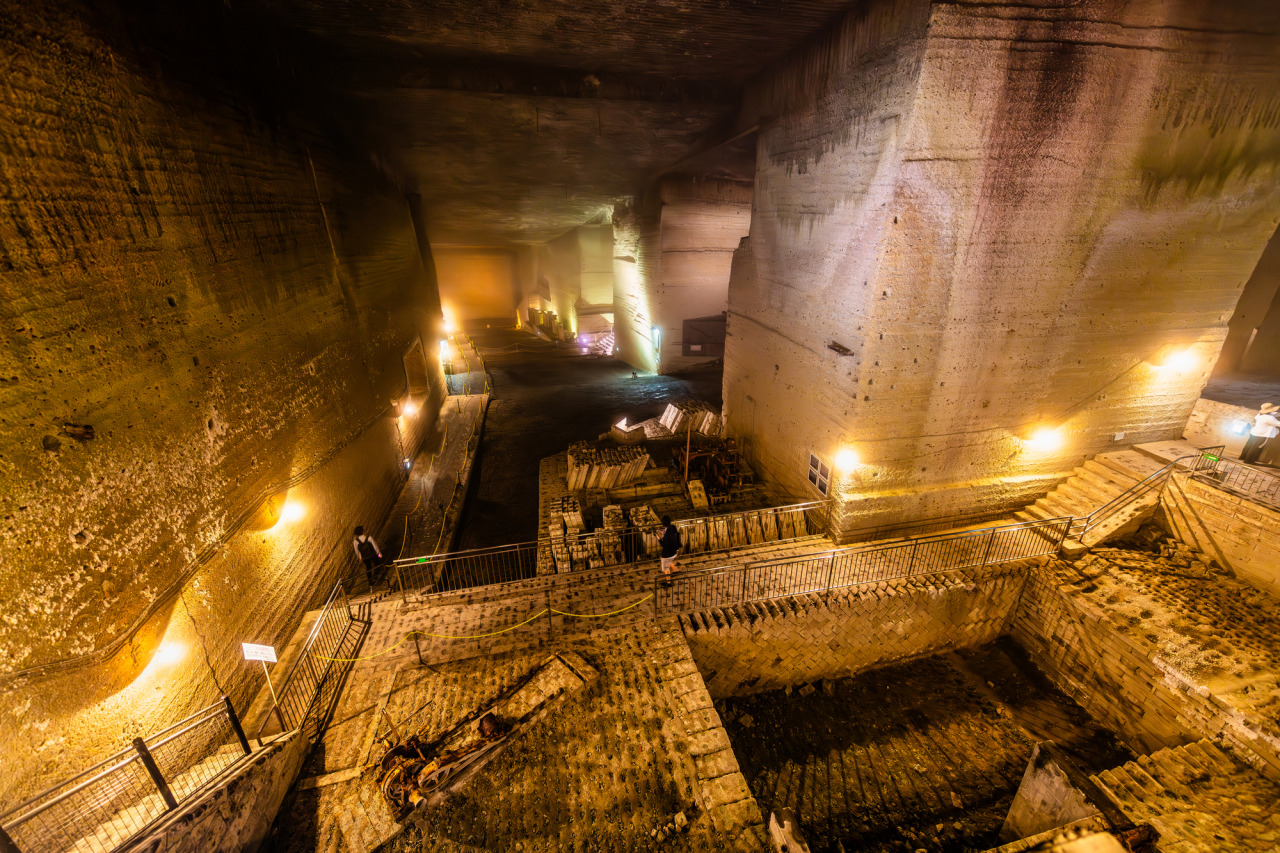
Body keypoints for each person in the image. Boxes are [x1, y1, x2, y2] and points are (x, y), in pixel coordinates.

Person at [658, 515, 681, 584]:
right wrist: (663, 533)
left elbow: (663, 544)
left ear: (663, 524)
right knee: (669, 561)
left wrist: (658, 537)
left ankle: (668, 582)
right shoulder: (673, 528)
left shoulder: (667, 536)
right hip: (674, 552)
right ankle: (675, 570)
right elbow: (669, 535)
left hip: (667, 554)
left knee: (666, 567)